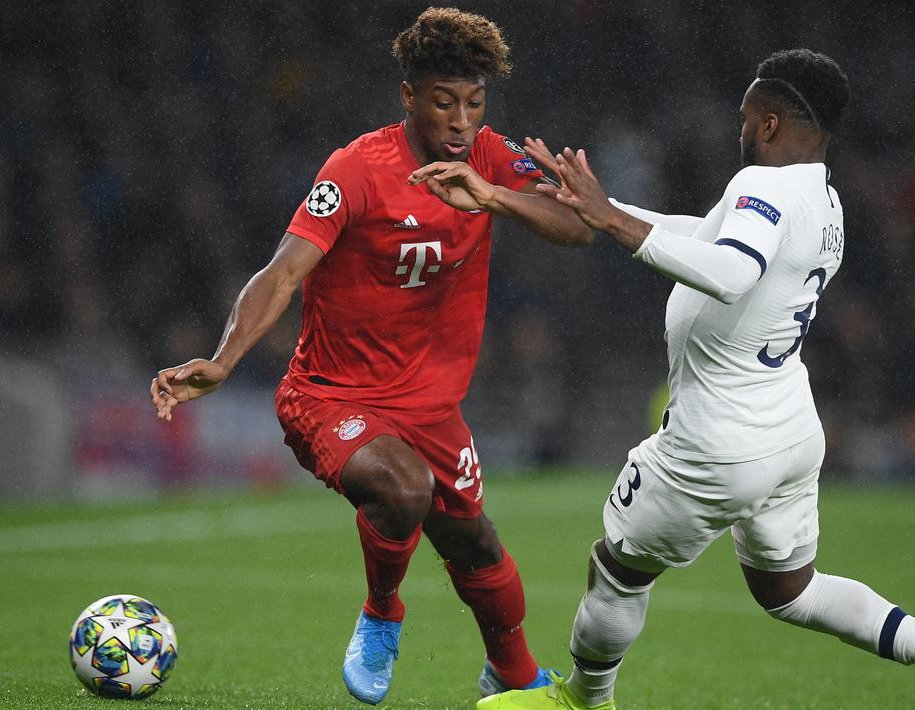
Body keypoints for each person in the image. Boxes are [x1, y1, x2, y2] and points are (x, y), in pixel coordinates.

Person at [472, 50, 915, 710]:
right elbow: (706, 236)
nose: (738, 128)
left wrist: (611, 218)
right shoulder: (821, 197)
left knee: (616, 567)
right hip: (785, 429)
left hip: (717, 438)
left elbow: (728, 272)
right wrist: (599, 205)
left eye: (744, 116)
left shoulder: (763, 187)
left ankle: (580, 700)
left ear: (771, 122)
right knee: (792, 591)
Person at [149, 8, 592, 706]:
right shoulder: (356, 169)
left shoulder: (491, 158)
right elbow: (282, 272)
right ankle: (382, 612)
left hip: (431, 407)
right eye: (444, 101)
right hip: (330, 396)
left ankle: (514, 678)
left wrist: (495, 197)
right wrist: (224, 358)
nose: (460, 120)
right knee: (403, 489)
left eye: (474, 103)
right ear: (409, 96)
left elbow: (575, 225)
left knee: (474, 544)